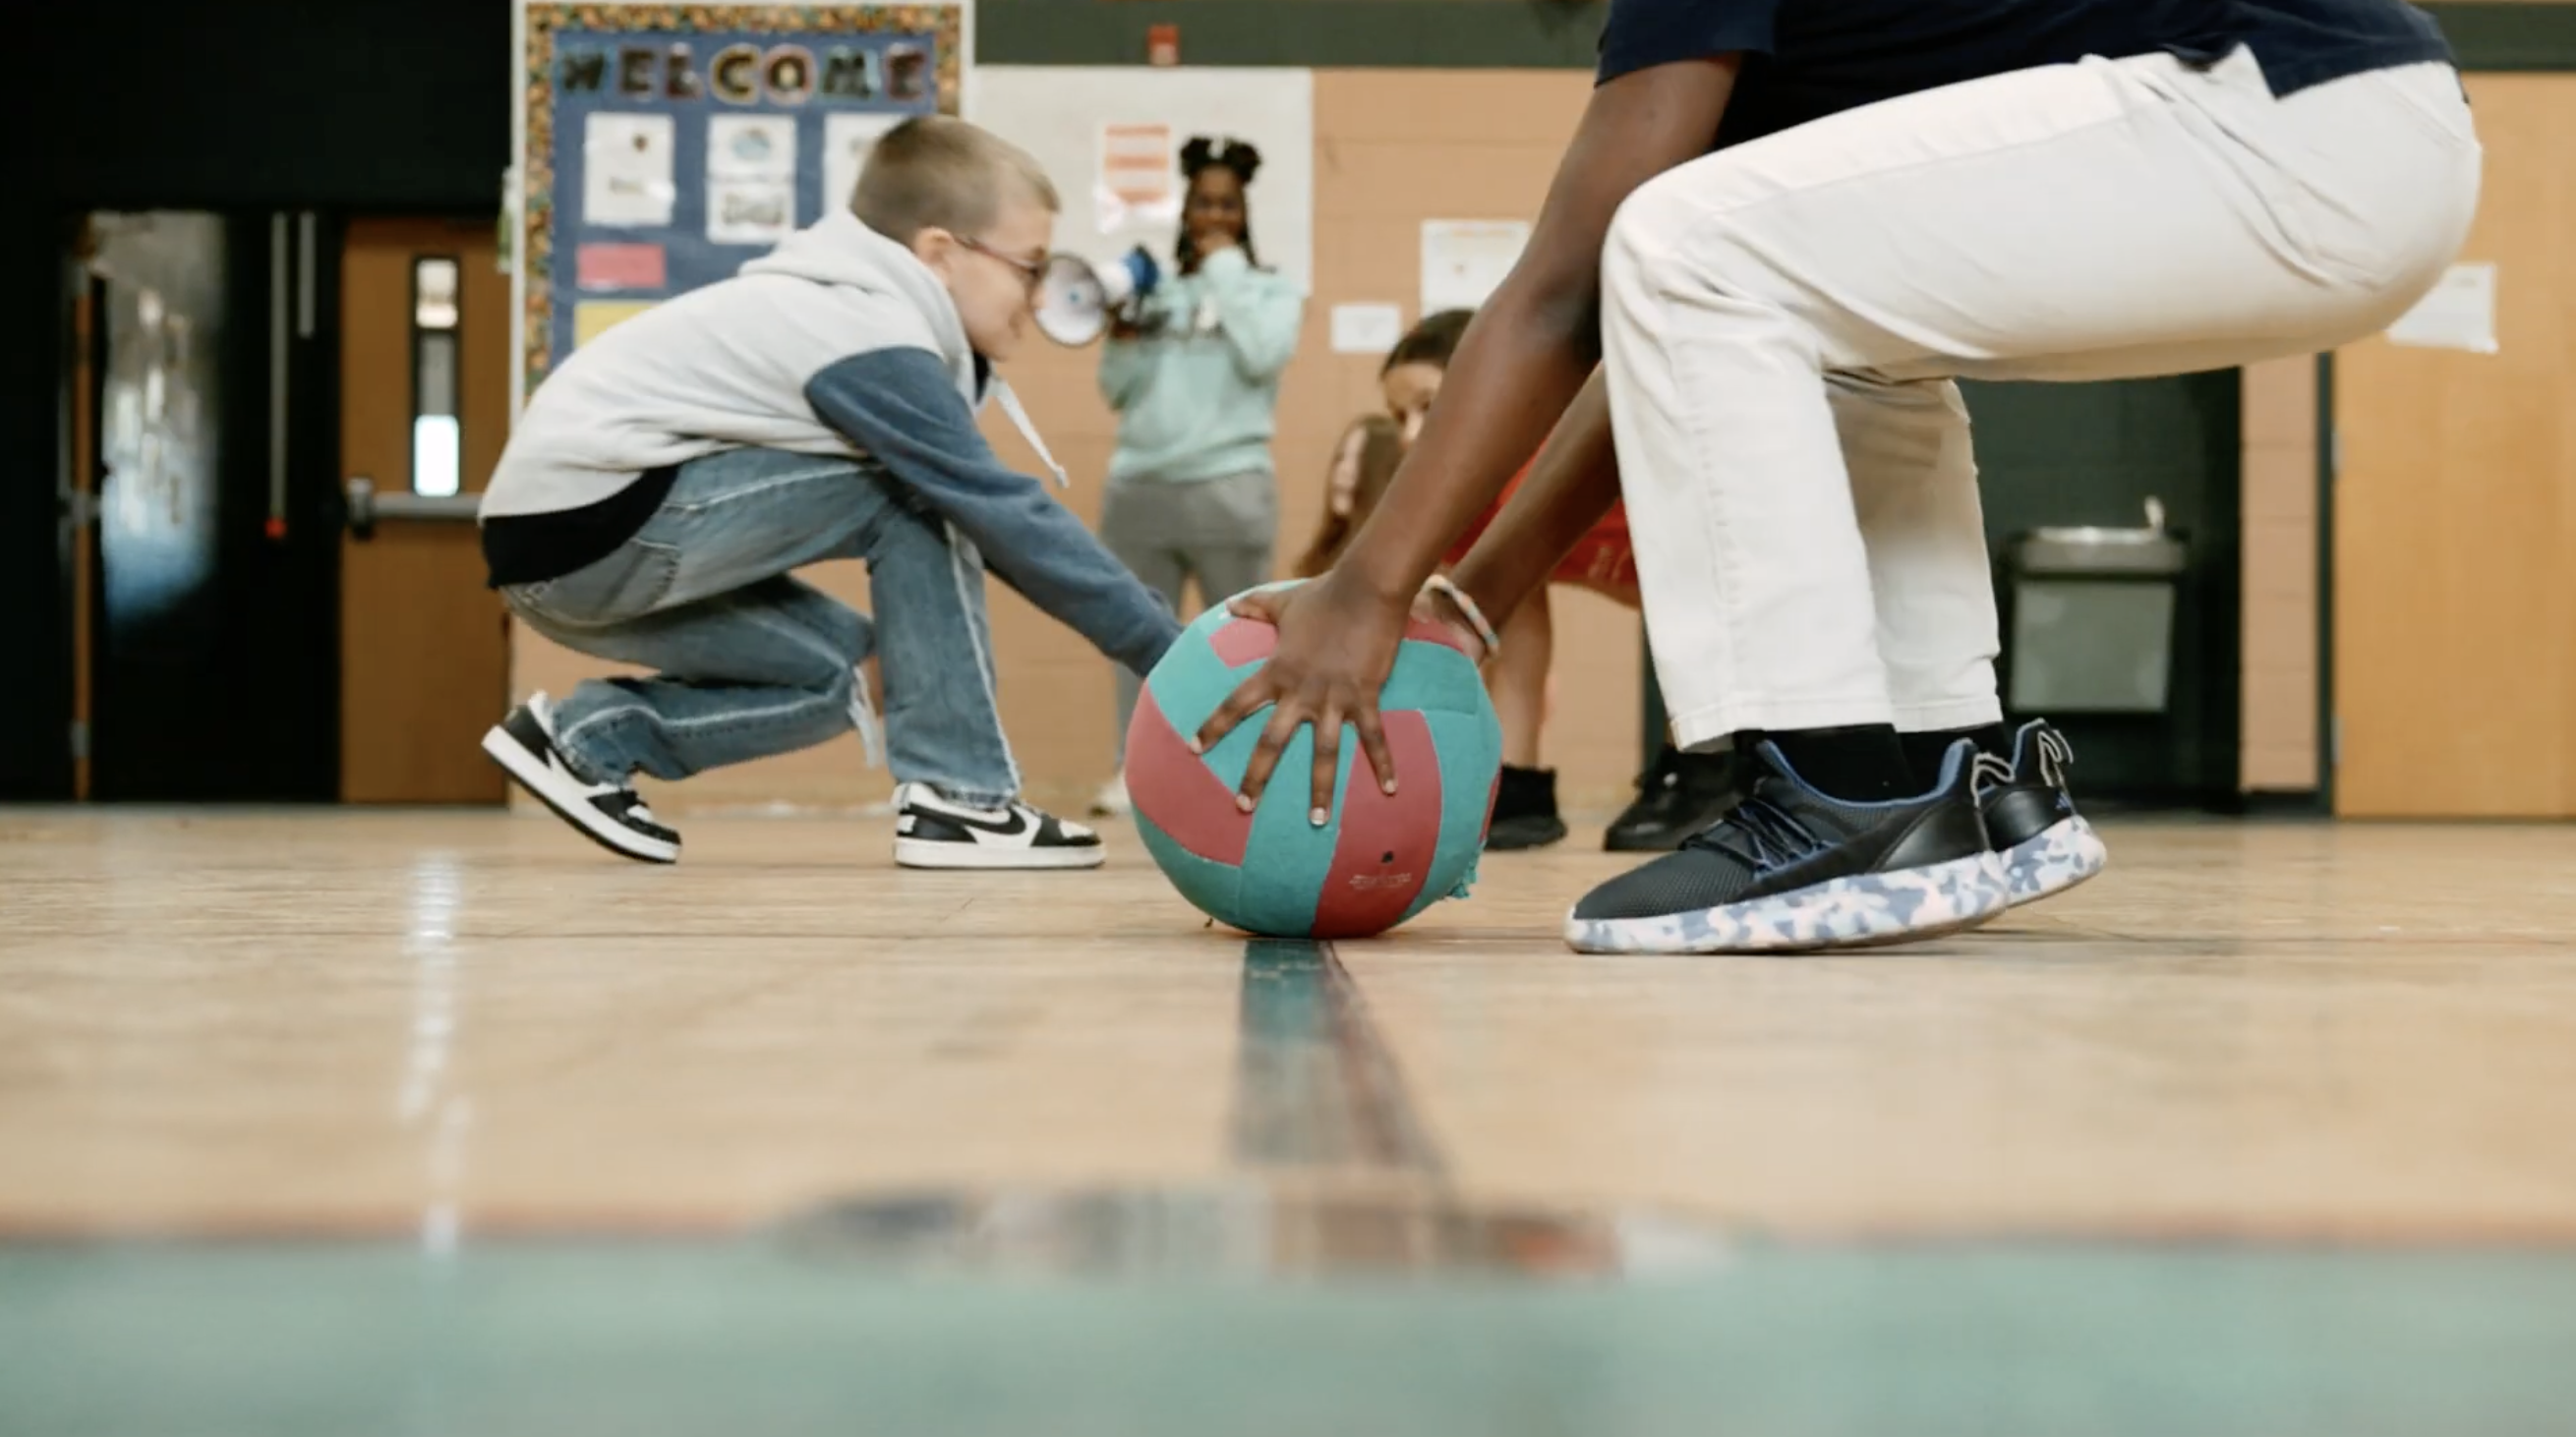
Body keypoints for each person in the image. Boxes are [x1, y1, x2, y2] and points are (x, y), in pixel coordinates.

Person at [1192, 0, 2476, 953]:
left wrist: (1366, 590)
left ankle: (1828, 795)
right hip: (2346, 139)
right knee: (1799, 303)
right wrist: (1465, 606)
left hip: (2284, 116)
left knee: (1687, 241)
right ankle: (1953, 778)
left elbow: (1575, 288)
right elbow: (1654, 333)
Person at [475, 116, 1181, 870]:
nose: (1041, 297)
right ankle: (962, 799)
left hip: (555, 552)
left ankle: (585, 741)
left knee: (845, 676)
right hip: (591, 523)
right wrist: (1169, 656)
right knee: (917, 495)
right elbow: (1003, 511)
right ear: (941, 253)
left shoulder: (865, 313)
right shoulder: (862, 328)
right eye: (1029, 267)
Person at [1090, 137, 1306, 817]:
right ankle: (1134, 770)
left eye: (1226, 205)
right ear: (1184, 210)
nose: (1212, 216)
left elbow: (1263, 355)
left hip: (1230, 485)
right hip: (1141, 485)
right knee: (1136, 634)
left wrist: (1226, 271)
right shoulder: (1155, 291)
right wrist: (1122, 336)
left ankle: (1246, 767)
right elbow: (1115, 390)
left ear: (1243, 215)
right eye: (1202, 204)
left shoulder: (1268, 289)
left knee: (1245, 642)